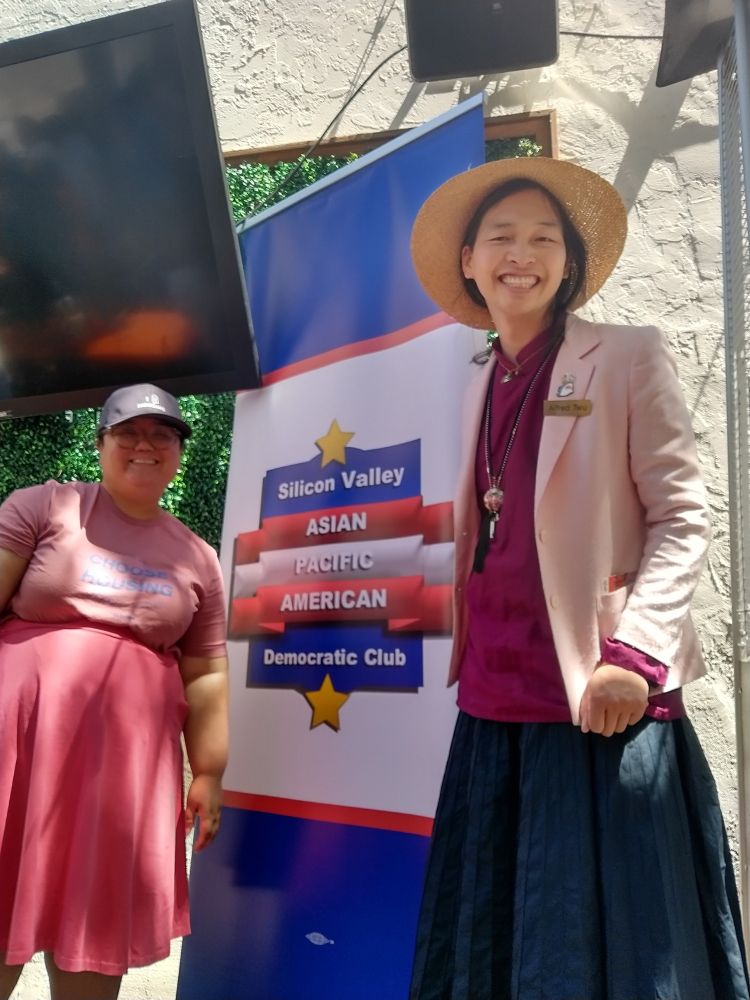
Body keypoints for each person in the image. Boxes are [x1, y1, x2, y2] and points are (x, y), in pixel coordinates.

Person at [408, 158, 750, 1000]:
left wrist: (633, 655)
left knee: (627, 951)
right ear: (468, 261)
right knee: (494, 942)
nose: (521, 255)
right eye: (501, 237)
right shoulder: (478, 377)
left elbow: (684, 515)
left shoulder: (627, 355)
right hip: (492, 701)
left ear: (569, 264)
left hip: (602, 697)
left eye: (544, 239)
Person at [0, 384, 228, 1000]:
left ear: (179, 452)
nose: (144, 445)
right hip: (16, 754)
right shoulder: (46, 506)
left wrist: (209, 771)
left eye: (162, 434)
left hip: (123, 774)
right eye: (128, 431)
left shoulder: (198, 558)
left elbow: (206, 670)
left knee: (94, 926)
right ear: (100, 442)